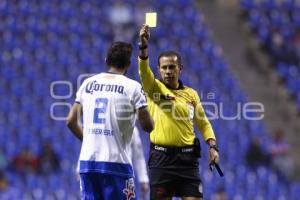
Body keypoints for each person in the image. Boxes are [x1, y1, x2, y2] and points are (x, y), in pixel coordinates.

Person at [138, 25, 220, 200]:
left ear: (180, 68)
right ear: (159, 70)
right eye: (164, 68)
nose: (168, 71)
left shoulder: (191, 94)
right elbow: (144, 72)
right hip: (161, 160)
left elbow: (203, 123)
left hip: (188, 161)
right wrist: (144, 46)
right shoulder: (154, 89)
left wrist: (212, 147)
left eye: (172, 67)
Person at [66, 41, 154, 200]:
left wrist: (88, 139)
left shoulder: (87, 83)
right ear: (128, 64)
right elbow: (148, 126)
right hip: (116, 164)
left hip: (88, 163)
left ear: (106, 60)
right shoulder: (132, 87)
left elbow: (71, 121)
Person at [129, 127, 150, 200]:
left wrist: (143, 179)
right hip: (103, 172)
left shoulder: (132, 129)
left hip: (127, 175)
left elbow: (138, 156)